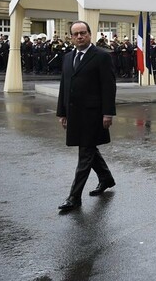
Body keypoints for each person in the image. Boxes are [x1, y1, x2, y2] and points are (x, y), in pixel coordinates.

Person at [56, 21, 117, 212]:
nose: (80, 37)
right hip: (75, 114)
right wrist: (62, 112)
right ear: (71, 37)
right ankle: (106, 178)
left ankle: (74, 197)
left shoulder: (101, 57)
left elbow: (109, 87)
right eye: (76, 34)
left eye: (83, 33)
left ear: (90, 34)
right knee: (89, 149)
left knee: (85, 154)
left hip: (94, 114)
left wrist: (108, 112)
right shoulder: (67, 57)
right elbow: (64, 86)